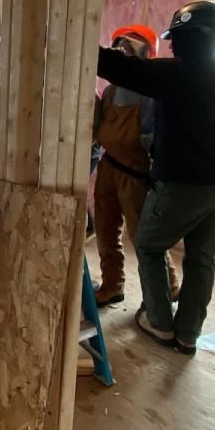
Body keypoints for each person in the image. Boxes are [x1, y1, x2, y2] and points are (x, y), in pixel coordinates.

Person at [96, 2, 215, 355]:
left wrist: (77, 33)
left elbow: (119, 67)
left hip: (186, 183)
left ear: (182, 40)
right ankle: (188, 334)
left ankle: (160, 323)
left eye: (176, 40)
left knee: (148, 244)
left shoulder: (180, 73)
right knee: (201, 259)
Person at [92, 25, 179, 307]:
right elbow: (100, 126)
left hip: (137, 173)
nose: (123, 50)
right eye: (119, 45)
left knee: (145, 238)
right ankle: (112, 285)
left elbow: (156, 137)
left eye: (130, 46)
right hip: (109, 166)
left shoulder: (151, 94)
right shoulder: (110, 92)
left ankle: (166, 289)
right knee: (106, 231)